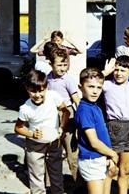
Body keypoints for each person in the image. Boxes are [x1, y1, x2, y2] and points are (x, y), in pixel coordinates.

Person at [14, 69, 70, 194]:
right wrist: (31, 134)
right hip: (35, 146)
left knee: (56, 175)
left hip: (54, 142)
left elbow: (66, 111)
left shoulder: (53, 96)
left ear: (46, 87)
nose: (37, 95)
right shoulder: (25, 109)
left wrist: (62, 127)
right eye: (33, 91)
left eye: (41, 90)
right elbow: (18, 128)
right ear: (27, 89)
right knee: (36, 178)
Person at [75, 68, 118, 194]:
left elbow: (102, 135)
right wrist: (112, 154)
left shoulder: (95, 107)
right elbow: (93, 142)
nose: (95, 91)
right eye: (91, 87)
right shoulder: (85, 110)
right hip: (91, 160)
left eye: (99, 87)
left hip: (100, 157)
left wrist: (107, 155)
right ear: (80, 87)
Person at [101, 55, 129, 193]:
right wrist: (106, 72)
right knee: (111, 168)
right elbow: (90, 81)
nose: (119, 73)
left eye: (123, 70)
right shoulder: (108, 85)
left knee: (125, 169)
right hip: (114, 126)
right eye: (116, 70)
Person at [47, 48, 80, 181]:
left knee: (71, 152)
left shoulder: (68, 80)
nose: (63, 68)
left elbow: (76, 100)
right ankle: (52, 183)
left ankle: (78, 182)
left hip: (68, 114)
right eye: (59, 65)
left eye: (65, 65)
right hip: (52, 115)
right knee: (53, 150)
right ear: (51, 64)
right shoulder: (48, 78)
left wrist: (80, 119)